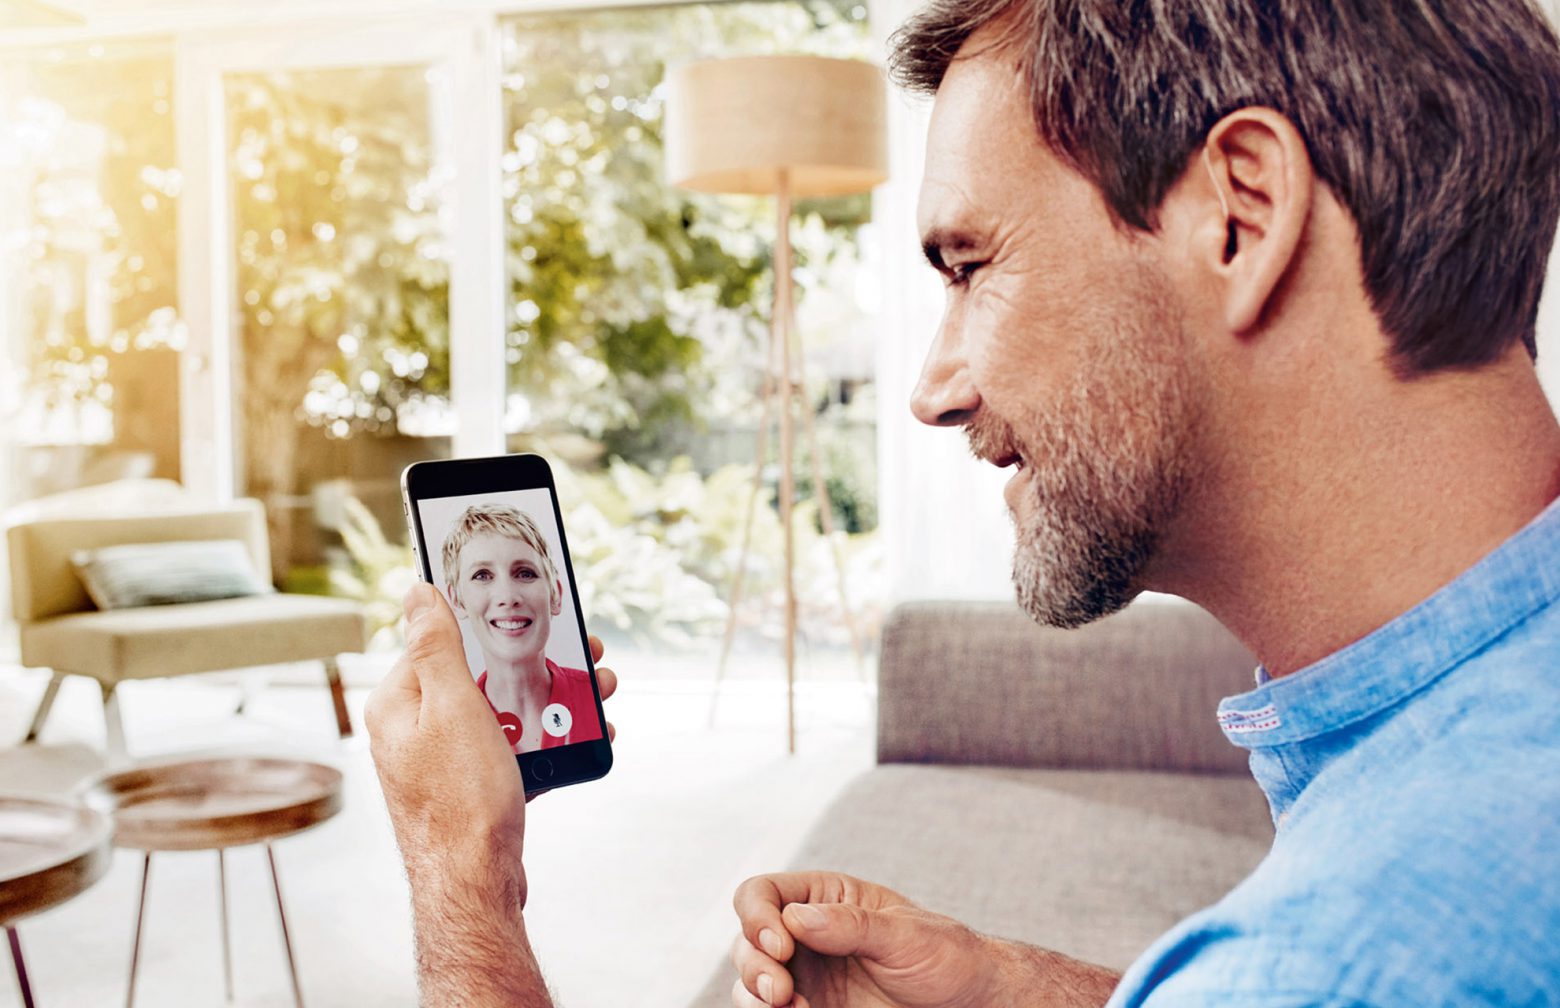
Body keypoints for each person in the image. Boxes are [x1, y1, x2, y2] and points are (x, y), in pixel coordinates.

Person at [365, 0, 1560, 1004]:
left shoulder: (1354, 949)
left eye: (973, 266)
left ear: (1239, 217)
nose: (933, 392)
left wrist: (463, 878)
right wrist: (1001, 982)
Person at [440, 503, 601, 753]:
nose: (507, 596)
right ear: (457, 600)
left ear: (555, 595)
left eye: (525, 573)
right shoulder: (450, 724)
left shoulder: (591, 697)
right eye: (482, 575)